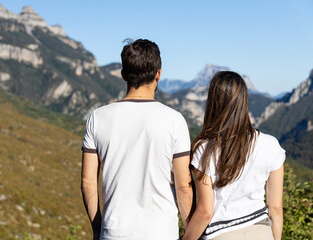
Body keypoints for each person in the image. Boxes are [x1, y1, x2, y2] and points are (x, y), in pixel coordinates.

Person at [81, 39, 194, 240]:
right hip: (162, 233)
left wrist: (98, 229)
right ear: (158, 73)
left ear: (123, 75)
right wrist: (190, 231)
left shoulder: (97, 118)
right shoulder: (175, 120)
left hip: (114, 232)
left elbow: (88, 183)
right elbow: (183, 186)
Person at [183, 71, 285, 240]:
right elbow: (276, 208)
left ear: (213, 103)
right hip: (262, 232)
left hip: (222, 234)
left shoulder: (205, 149)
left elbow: (205, 212)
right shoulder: (271, 145)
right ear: (244, 101)